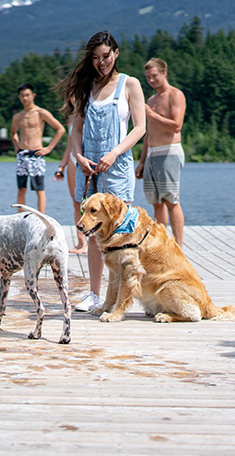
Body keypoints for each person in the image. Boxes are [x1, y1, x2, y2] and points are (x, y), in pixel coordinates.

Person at [59, 31, 146, 312]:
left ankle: (120, 298)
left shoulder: (130, 84)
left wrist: (114, 153)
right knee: (94, 235)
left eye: (106, 56)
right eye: (95, 58)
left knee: (120, 235)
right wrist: (78, 155)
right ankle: (94, 295)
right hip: (89, 169)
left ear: (116, 53)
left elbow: (140, 128)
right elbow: (77, 128)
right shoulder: (87, 88)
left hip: (117, 168)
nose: (101, 63)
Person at [136, 58, 187, 247]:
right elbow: (148, 133)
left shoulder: (175, 95)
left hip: (169, 152)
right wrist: (141, 161)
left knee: (171, 199)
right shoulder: (151, 100)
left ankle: (178, 245)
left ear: (164, 73)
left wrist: (152, 115)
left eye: (154, 76)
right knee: (156, 202)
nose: (151, 80)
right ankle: (161, 243)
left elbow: (176, 125)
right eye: (148, 77)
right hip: (152, 154)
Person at [10, 83, 66, 214]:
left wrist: (49, 148)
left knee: (39, 189)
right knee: (21, 188)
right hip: (23, 154)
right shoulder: (18, 117)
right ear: (19, 97)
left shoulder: (41, 113)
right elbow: (13, 133)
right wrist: (16, 146)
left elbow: (60, 129)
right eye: (22, 96)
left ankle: (41, 218)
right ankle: (19, 218)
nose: (25, 98)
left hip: (37, 154)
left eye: (27, 95)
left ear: (33, 96)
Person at [53, 97, 87, 254]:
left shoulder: (90, 110)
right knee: (76, 203)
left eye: (77, 93)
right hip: (73, 160)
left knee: (91, 203)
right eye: (71, 94)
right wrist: (61, 166)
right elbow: (69, 144)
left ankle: (93, 242)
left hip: (87, 160)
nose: (74, 98)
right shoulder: (70, 117)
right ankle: (81, 242)